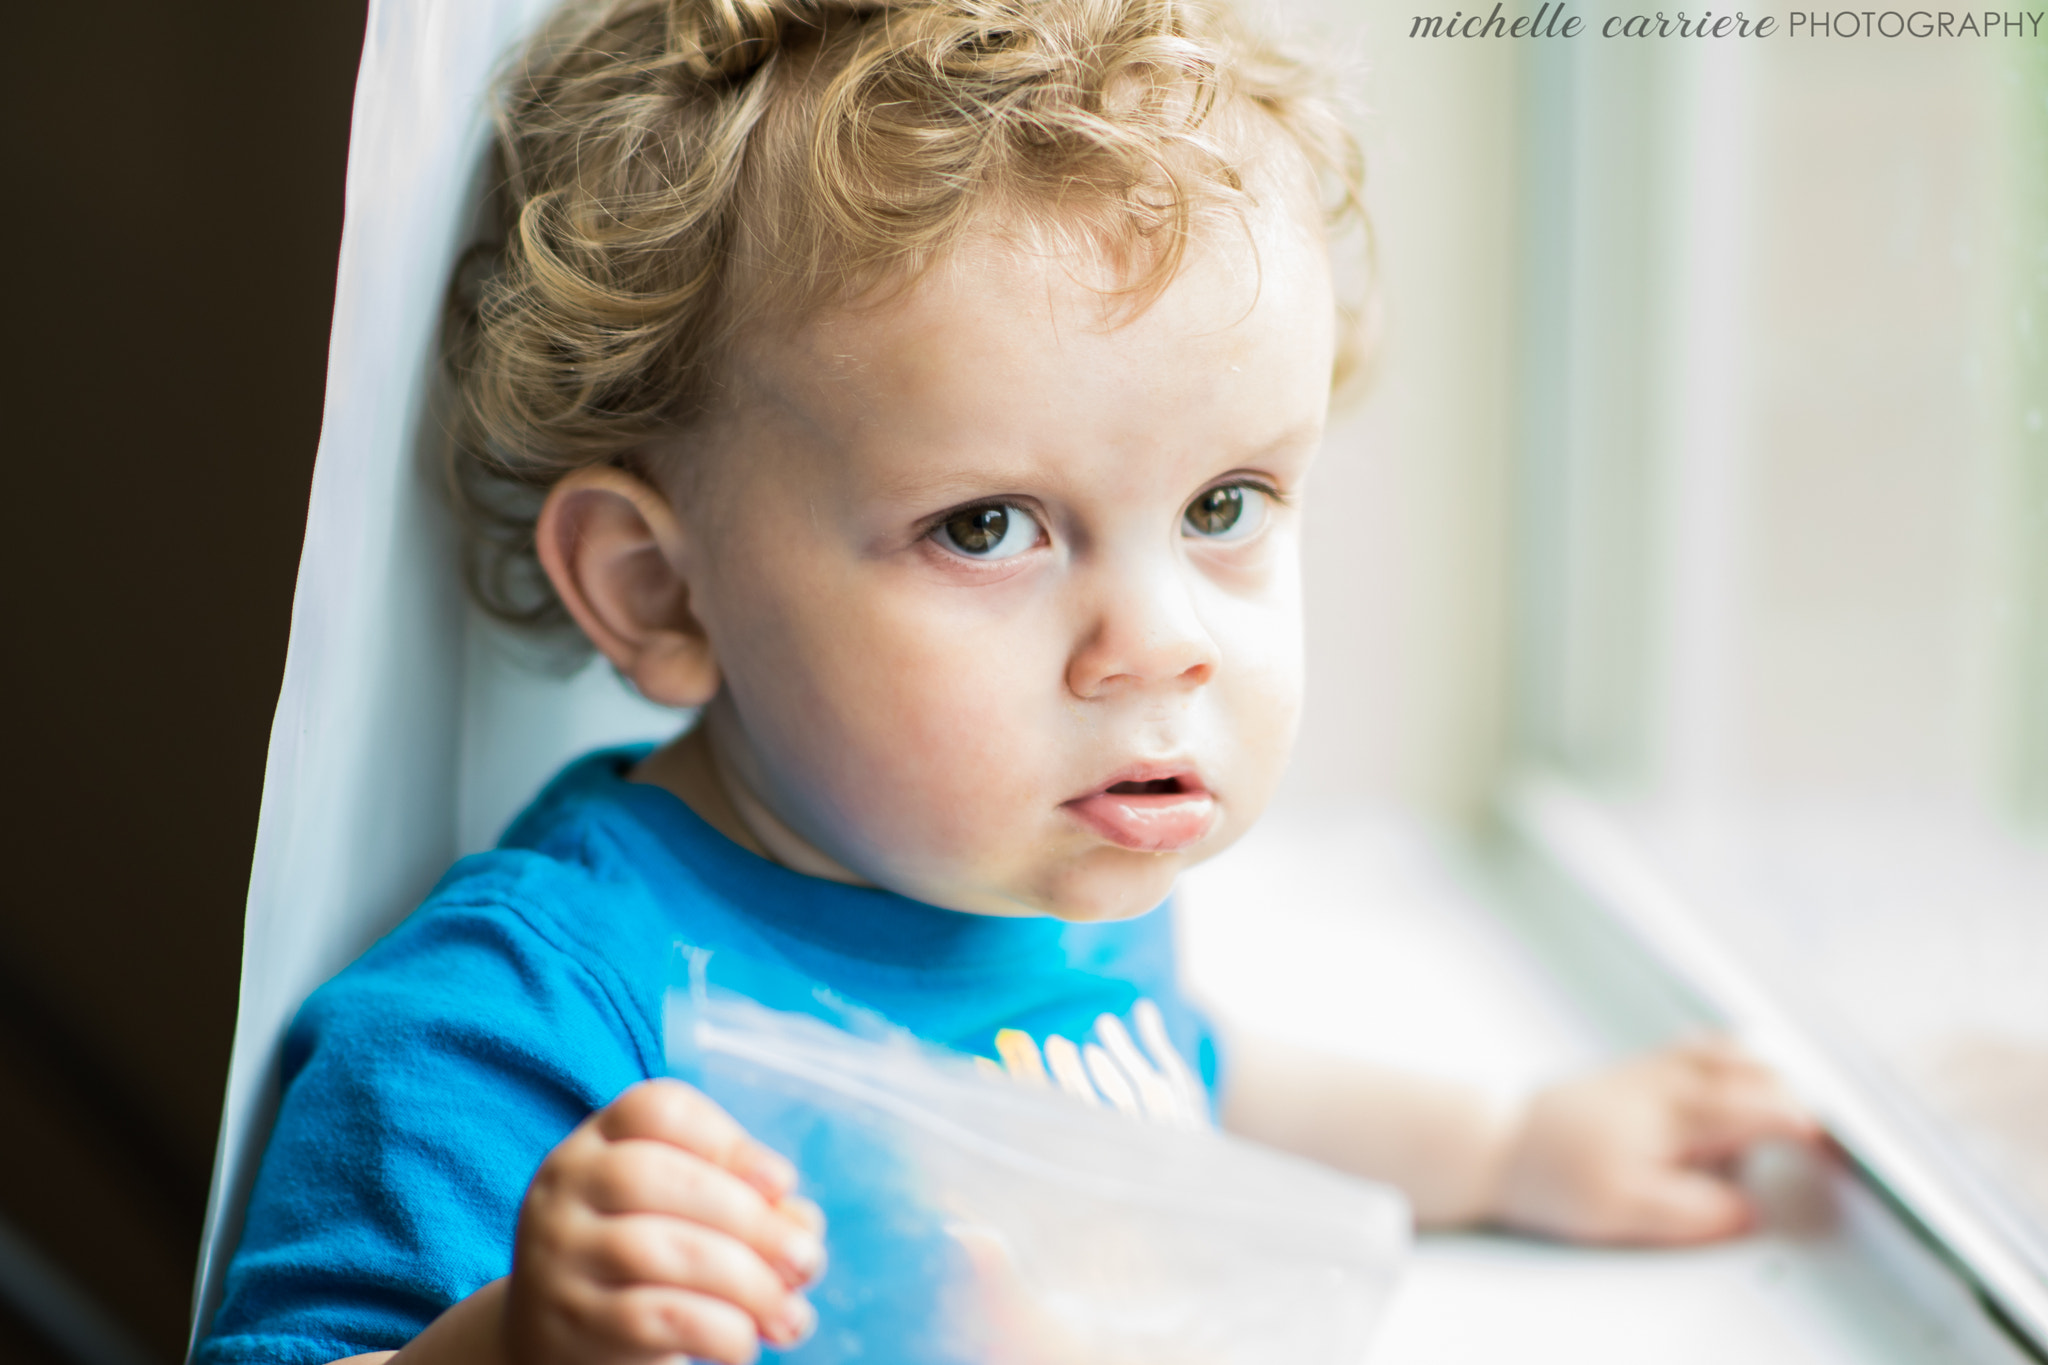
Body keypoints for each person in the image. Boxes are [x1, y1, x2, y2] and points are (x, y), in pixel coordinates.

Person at [196, 0, 1819, 1362]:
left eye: (1225, 506)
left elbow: (1183, 1071)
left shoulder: (1049, 869)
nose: (1162, 640)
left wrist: (1504, 1149)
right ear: (655, 585)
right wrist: (512, 1342)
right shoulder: (523, 1026)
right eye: (989, 526)